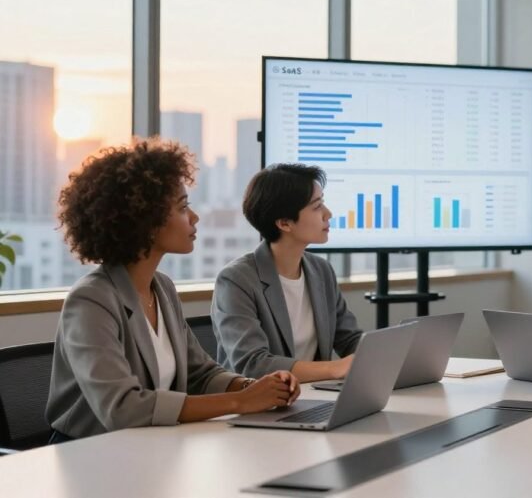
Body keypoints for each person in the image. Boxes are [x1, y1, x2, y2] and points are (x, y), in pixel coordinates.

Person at [47, 139, 299, 442]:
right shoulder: (91, 300)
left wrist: (254, 387)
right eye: (182, 207)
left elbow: (200, 374)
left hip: (153, 446)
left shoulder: (161, 288)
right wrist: (240, 402)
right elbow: (122, 409)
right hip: (91, 454)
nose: (194, 218)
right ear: (146, 221)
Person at [212, 163, 363, 382]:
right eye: (317, 206)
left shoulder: (321, 271)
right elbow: (253, 364)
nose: (328, 214)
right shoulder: (236, 280)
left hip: (315, 398)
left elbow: (350, 340)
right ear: (284, 223)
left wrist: (386, 355)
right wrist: (335, 368)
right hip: (261, 406)